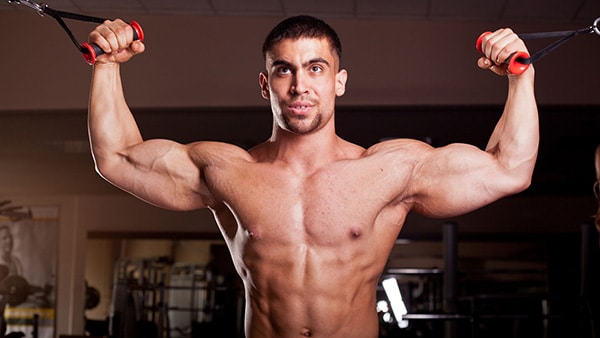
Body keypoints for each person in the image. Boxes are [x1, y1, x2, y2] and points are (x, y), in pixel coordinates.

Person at [87, 15, 538, 338]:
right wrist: (107, 66)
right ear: (266, 84)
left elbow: (509, 168)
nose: (300, 85)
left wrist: (521, 76)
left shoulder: (390, 169)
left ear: (338, 81)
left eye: (315, 68)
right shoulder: (226, 170)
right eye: (284, 69)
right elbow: (117, 158)